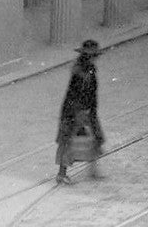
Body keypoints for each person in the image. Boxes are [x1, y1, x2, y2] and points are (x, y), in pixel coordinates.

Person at [56, 39, 105, 185]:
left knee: (94, 139)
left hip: (85, 110)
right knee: (69, 141)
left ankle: (92, 170)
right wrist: (79, 112)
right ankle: (61, 174)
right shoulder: (81, 73)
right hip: (75, 112)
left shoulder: (88, 70)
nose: (95, 58)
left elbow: (91, 94)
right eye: (93, 55)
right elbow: (77, 94)